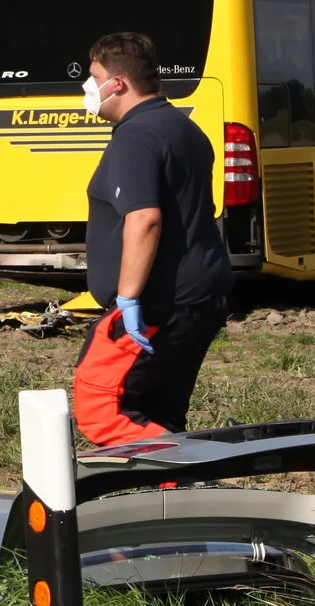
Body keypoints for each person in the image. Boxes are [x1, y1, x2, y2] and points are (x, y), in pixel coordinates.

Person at [72, 31, 233, 446]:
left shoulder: (136, 136)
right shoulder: (184, 127)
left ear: (117, 83)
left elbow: (144, 219)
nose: (88, 87)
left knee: (101, 410)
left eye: (94, 77)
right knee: (158, 413)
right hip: (198, 301)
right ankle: (175, 483)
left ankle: (193, 474)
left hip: (156, 304)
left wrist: (128, 298)